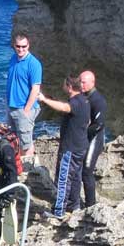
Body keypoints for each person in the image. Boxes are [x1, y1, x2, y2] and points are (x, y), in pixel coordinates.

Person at [38, 75, 90, 219]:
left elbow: (65, 108)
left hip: (71, 148)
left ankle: (58, 211)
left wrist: (44, 100)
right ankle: (74, 206)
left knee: (64, 179)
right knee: (75, 178)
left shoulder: (75, 102)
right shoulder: (85, 100)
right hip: (81, 146)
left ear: (69, 86)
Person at [6, 32, 43, 163]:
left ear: (28, 45)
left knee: (26, 144)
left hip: (24, 109)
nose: (21, 49)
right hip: (12, 107)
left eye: (24, 46)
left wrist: (26, 110)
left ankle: (28, 171)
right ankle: (17, 168)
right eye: (18, 46)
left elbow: (35, 89)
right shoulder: (13, 59)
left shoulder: (34, 64)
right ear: (14, 46)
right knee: (13, 140)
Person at [79, 70, 107, 207]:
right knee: (79, 169)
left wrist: (83, 131)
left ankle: (91, 205)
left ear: (92, 83)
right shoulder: (83, 97)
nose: (81, 84)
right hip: (84, 138)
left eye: (84, 82)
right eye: (80, 81)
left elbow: (99, 124)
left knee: (87, 170)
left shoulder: (98, 100)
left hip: (95, 139)